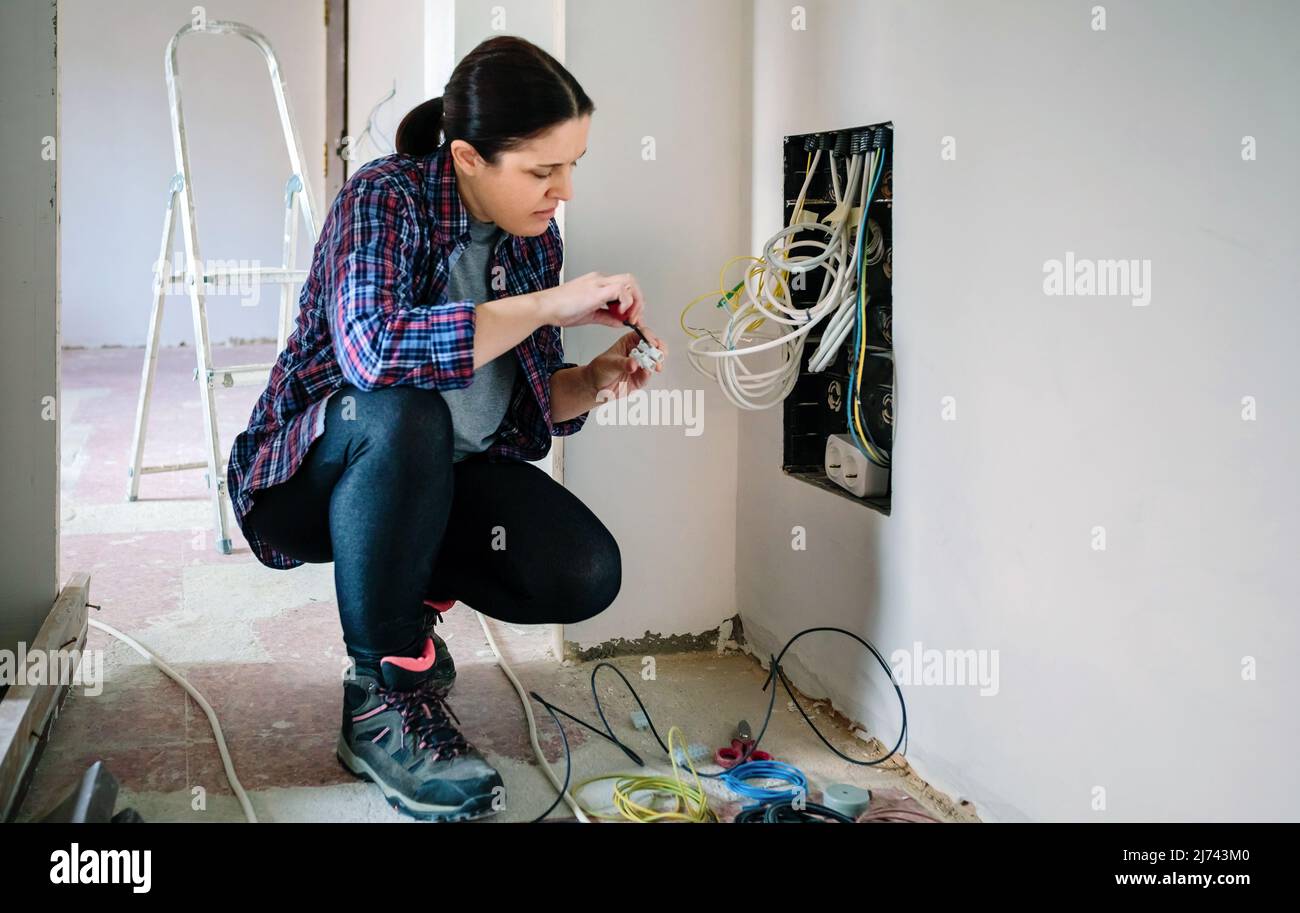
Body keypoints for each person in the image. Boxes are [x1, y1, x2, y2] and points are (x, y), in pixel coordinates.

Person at [224, 35, 667, 822]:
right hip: (313, 475)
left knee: (585, 570)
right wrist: (546, 306)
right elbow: (374, 354)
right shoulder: (384, 198)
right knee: (407, 411)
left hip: (435, 480)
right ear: (467, 157)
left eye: (572, 166)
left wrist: (596, 381)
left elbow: (523, 405)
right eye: (541, 170)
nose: (561, 190)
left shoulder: (535, 244)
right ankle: (384, 696)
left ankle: (413, 599)